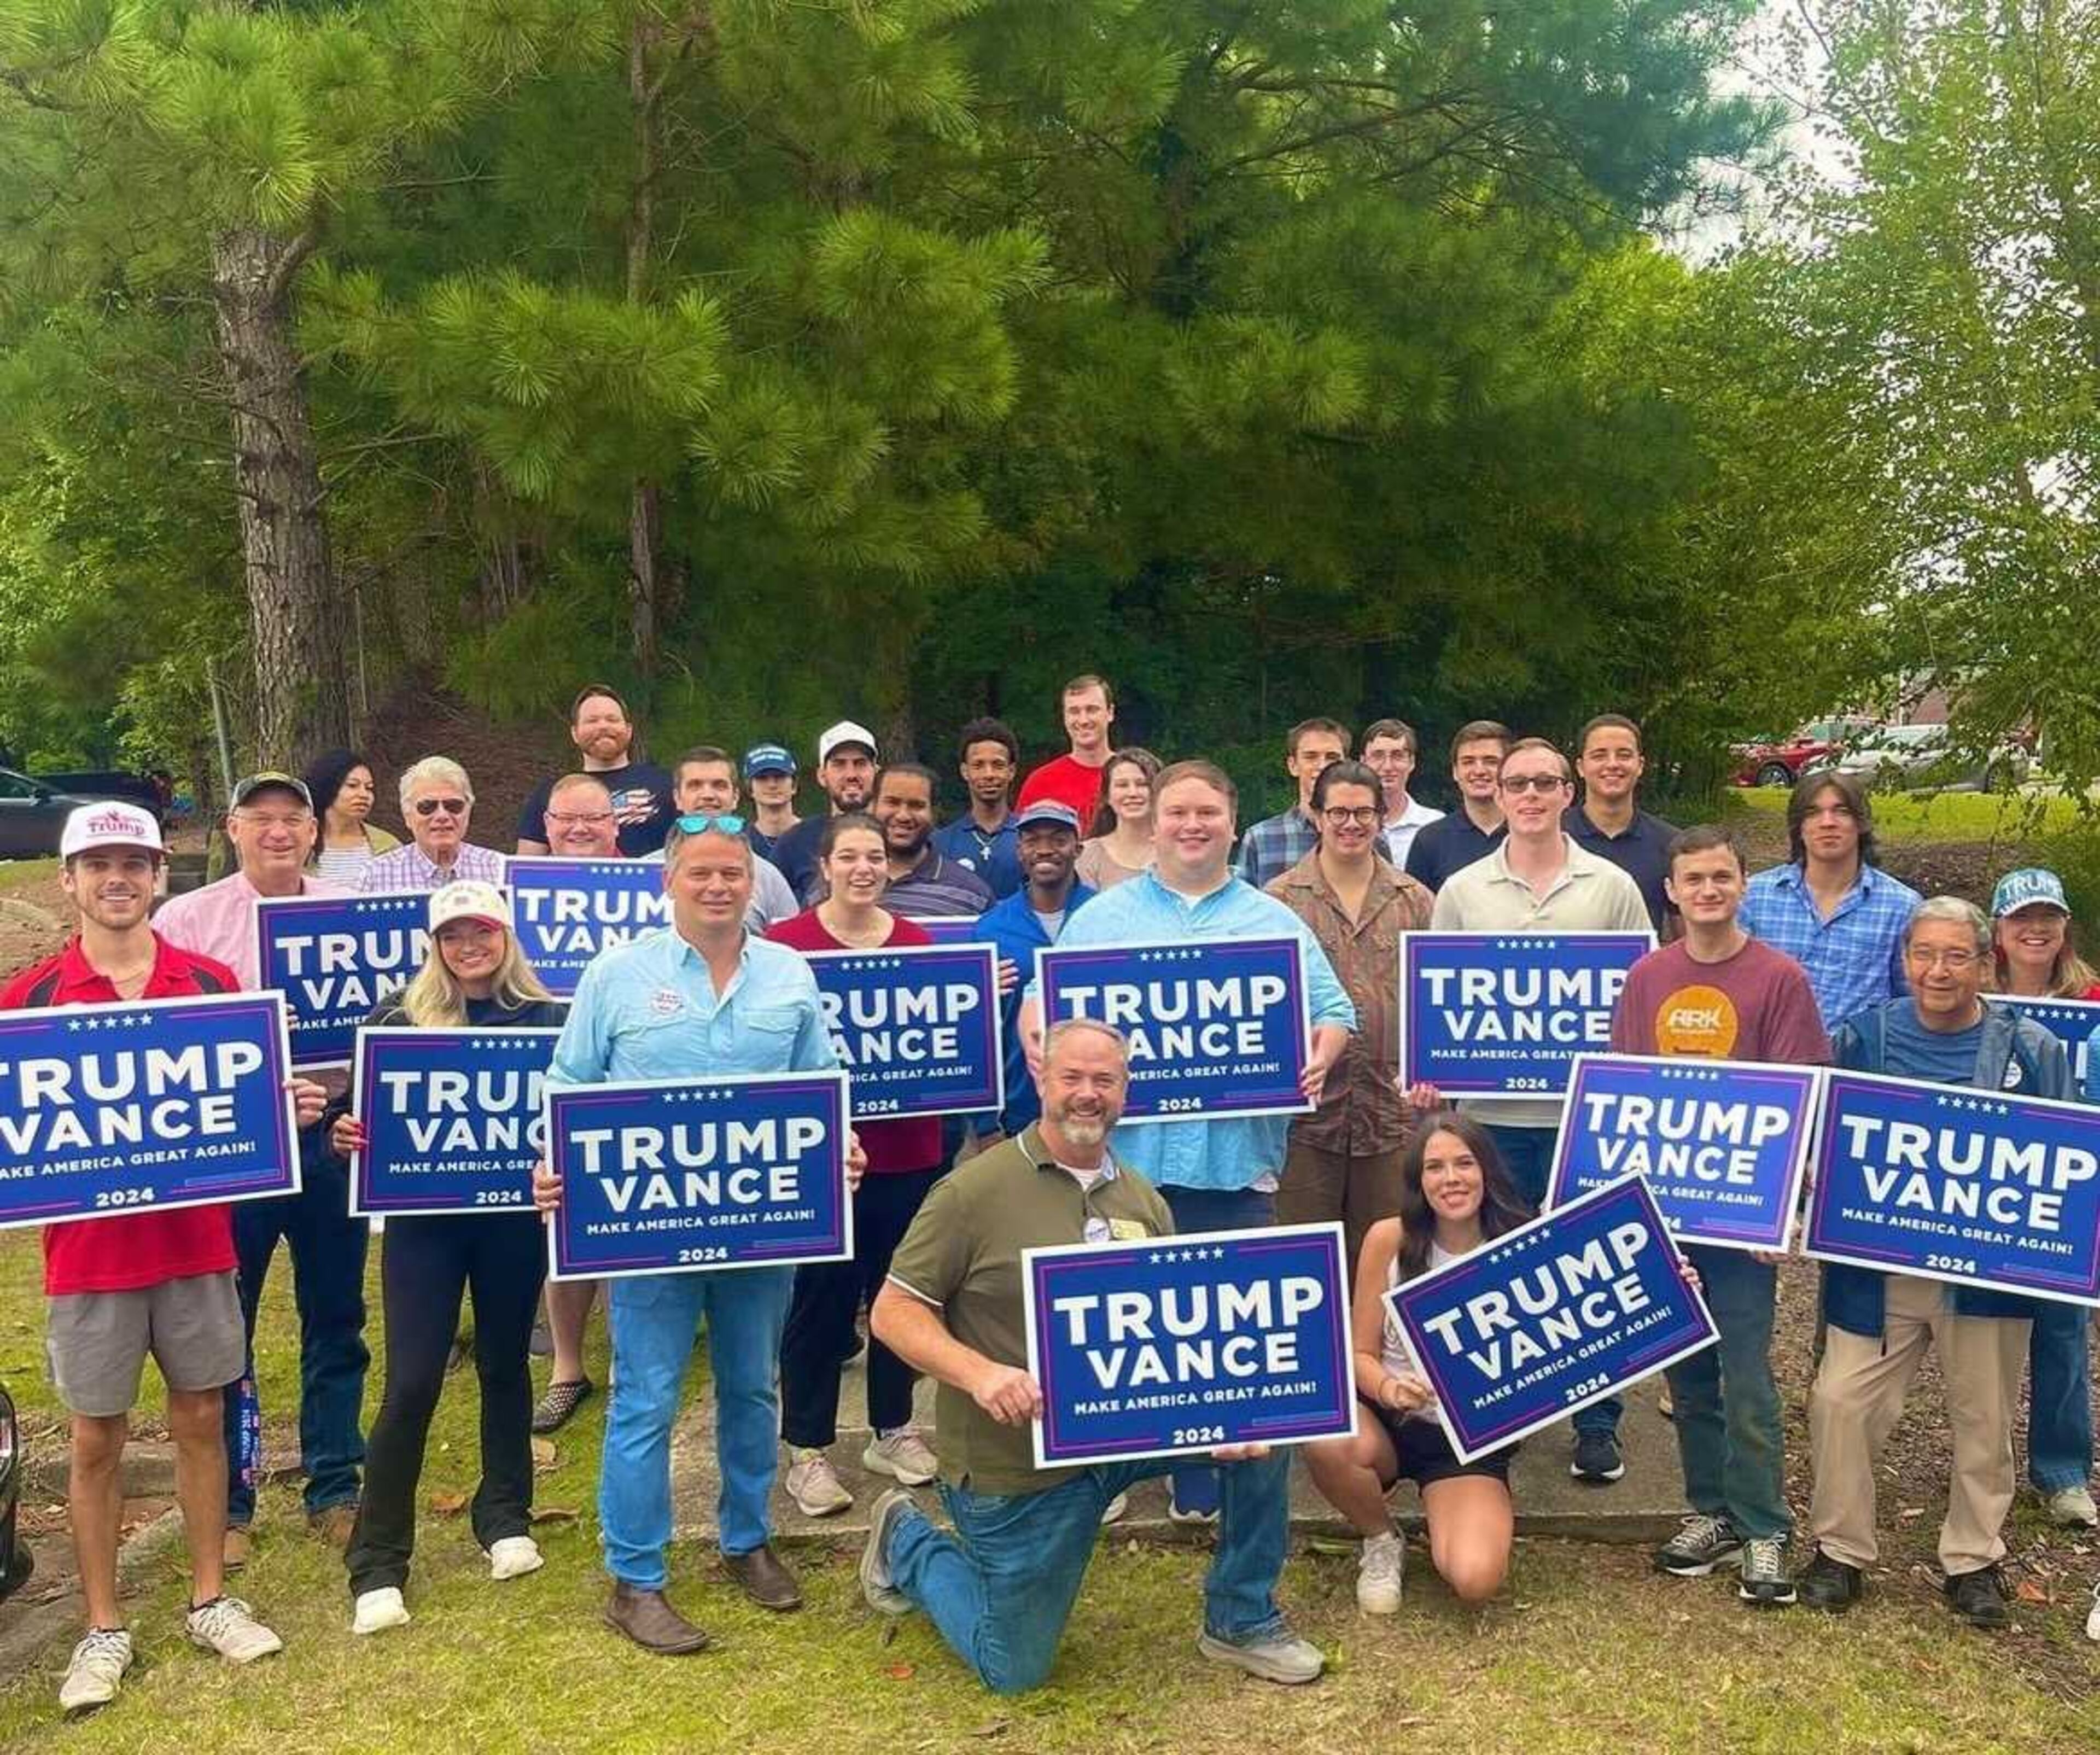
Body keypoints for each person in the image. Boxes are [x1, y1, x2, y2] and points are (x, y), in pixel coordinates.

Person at [860, 1019, 1325, 1694]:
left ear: (1125, 1092)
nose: (1088, 1093)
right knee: (1014, 1668)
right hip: (1018, 1462)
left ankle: (1241, 1615)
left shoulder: (1142, 1198)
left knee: (1264, 1423)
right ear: (1042, 1079)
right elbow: (893, 1310)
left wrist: (1220, 1411)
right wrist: (979, 1373)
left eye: (1104, 1079)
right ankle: (905, 1536)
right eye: (1072, 1077)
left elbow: (1172, 1341)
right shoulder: (971, 1191)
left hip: (1122, 1437)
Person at [532, 814, 864, 1651]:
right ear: (669, 882)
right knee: (646, 1396)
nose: (718, 886)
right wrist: (554, 1162)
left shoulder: (788, 972)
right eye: (701, 873)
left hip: (760, 1229)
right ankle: (635, 1577)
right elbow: (568, 1083)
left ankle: (746, 1539)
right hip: (650, 1233)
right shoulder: (616, 974)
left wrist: (841, 1146)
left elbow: (820, 1080)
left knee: (752, 1386)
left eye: (732, 873)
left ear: (753, 883)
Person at [14, 803, 314, 1713]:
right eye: (98, 863)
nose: (118, 878)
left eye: (134, 863)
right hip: (88, 1259)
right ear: (68, 881)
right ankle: (103, 1625)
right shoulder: (27, 1002)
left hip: (195, 1246)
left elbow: (249, 1101)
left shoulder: (213, 983)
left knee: (202, 1416)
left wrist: (283, 1106)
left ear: (157, 878)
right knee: (95, 1437)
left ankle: (210, 1596)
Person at [1019, 759, 1354, 1521]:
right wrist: (1034, 1024)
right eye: (1178, 812)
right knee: (1117, 1326)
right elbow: (1045, 997)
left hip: (1233, 1162)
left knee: (1223, 1329)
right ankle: (1107, 1469)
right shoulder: (1101, 917)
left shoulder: (1273, 921)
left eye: (1208, 812)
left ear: (1233, 824)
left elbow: (1334, 1011)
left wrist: (1322, 1051)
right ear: (1153, 823)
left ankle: (1204, 1474)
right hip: (1122, 1164)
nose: (1192, 825)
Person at [1798, 897, 2070, 1626]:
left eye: (1955, 956)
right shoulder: (1863, 1037)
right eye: (1924, 954)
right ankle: (1840, 1549)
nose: (1938, 970)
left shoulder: (2031, 1050)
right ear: (1905, 960)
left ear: (1985, 963)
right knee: (1840, 1401)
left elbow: (2068, 1159)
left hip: (1985, 1276)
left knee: (1984, 1415)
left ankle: (1974, 1558)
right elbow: (1820, 1131)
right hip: (1879, 1270)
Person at [327, 882, 564, 1635]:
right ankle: (377, 1561)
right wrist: (343, 1134)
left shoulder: (550, 1019)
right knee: (413, 1380)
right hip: (424, 1227)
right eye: (454, 935)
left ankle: (506, 1518)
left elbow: (573, 1114)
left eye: (483, 931)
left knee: (505, 1364)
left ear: (506, 937)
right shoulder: (396, 1019)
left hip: (511, 1223)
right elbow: (352, 1120)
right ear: (435, 945)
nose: (470, 946)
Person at [1612, 825, 1831, 1607]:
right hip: (1671, 1214)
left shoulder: (1779, 978)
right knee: (1689, 1374)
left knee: (1747, 1377)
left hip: (1742, 1221)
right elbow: (1624, 1094)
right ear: (1671, 891)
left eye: (1721, 877)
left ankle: (1765, 1523)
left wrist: (1784, 1210)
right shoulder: (1648, 978)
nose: (1707, 890)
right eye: (1693, 879)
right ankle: (1712, 1511)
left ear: (1743, 884)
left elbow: (1804, 1100)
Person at [154, 773, 370, 1564]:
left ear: (313, 831)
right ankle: (232, 1502)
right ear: (233, 828)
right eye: (262, 818)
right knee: (226, 1325)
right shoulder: (186, 919)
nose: (278, 831)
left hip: (332, 1136)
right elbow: (168, 1036)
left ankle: (335, 1484)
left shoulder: (352, 911)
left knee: (336, 1314)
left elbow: (393, 1016)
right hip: (238, 1148)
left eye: (293, 819)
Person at [1424, 736, 1650, 1484]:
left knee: (1594, 1266)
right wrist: (1433, 1073)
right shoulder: (1463, 889)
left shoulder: (1612, 886)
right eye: (1516, 782)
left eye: (1543, 782)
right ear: (1499, 793)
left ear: (1566, 793)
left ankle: (1597, 1422)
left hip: (1584, 1116)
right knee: (1488, 1266)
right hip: (1490, 1116)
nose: (1528, 795)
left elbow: (1636, 998)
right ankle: (1500, 1416)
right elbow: (1440, 996)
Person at [768, 817, 947, 1516]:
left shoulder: (918, 943)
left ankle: (892, 1427)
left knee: (900, 1295)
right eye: (850, 855)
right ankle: (807, 1446)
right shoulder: (784, 945)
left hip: (908, 1149)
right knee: (822, 1300)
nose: (864, 867)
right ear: (825, 865)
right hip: (823, 1157)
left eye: (875, 856)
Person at [1302, 1117, 1526, 1615]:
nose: (1452, 1179)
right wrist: (1388, 1388)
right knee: (1326, 1436)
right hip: (1389, 1418)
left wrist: (1673, 1280)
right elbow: (1358, 1354)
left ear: (1487, 1171)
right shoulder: (1389, 1238)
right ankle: (1381, 1538)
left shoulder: (1520, 1241)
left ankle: (1453, 1514)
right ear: (1417, 1180)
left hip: (1466, 1439)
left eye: (1465, 1163)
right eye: (1435, 1167)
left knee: (1475, 1579)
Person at [1265, 760, 1433, 1278]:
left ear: (1381, 818)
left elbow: (1435, 1003)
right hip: (1306, 1120)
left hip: (1391, 1115)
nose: (1351, 824)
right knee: (1301, 1264)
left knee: (1388, 1265)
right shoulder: (1277, 902)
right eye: (1338, 812)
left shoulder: (1415, 900)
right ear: (1316, 816)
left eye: (1363, 812)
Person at [1988, 866, 2100, 1529]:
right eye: (2021, 917)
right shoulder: (1971, 998)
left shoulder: (2094, 1001)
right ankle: (1985, 1461)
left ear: (2065, 927)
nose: (2035, 928)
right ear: (1998, 930)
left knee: (2063, 1327)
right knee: (1984, 1332)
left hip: (2072, 1191)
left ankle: (2063, 1471)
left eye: (2047, 917)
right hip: (1989, 1187)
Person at [1739, 768, 1922, 1031]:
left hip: (1858, 1054)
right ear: (1799, 827)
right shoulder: (1755, 897)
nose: (1828, 823)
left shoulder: (1901, 907)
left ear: (1861, 823)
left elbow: (1910, 1002)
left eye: (1841, 811)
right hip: (1771, 1053)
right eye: (1813, 813)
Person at [976, 802, 1097, 1143]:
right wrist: (985, 1125)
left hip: (1097, 1101)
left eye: (1058, 839)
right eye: (1032, 841)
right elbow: (979, 1030)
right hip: (1023, 1107)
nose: (1045, 849)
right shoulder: (991, 928)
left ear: (1078, 849)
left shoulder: (1108, 915)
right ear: (1020, 851)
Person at [515, 684, 674, 858]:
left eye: (612, 720)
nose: (603, 726)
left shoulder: (668, 785)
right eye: (592, 721)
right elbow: (527, 864)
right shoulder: (551, 793)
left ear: (629, 730)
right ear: (575, 733)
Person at [1567, 714, 1679, 934]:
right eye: (1599, 756)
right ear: (1580, 767)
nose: (1612, 764)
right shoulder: (1551, 838)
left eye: (1624, 755)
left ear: (1640, 765)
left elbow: (1687, 940)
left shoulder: (1670, 844)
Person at [664, 748, 799, 929]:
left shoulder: (768, 877)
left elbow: (791, 939)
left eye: (719, 785)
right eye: (695, 786)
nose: (708, 795)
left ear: (735, 797)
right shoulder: (643, 870)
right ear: (677, 798)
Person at [1234, 717, 1352, 891]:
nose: (1322, 766)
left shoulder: (1365, 837)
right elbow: (1242, 905)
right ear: (1293, 766)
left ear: (1346, 765)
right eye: (1311, 757)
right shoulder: (1261, 839)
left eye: (1332, 758)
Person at [769, 721, 880, 901]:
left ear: (876, 772)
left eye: (860, 764)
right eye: (839, 764)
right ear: (822, 776)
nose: (851, 775)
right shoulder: (794, 843)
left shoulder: (900, 839)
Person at [358, 757, 506, 891]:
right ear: (407, 816)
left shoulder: (499, 869)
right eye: (427, 807)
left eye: (454, 806)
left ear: (468, 812)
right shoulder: (376, 876)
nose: (442, 816)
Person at [865, 762, 993, 918]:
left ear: (934, 813)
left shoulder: (972, 895)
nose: (903, 816)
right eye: (893, 803)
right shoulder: (845, 881)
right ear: (872, 806)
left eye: (916, 806)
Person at [1403, 720, 1512, 893]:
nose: (1479, 771)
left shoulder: (1530, 835)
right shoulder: (1430, 841)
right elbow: (1416, 907)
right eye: (1468, 762)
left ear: (1509, 769)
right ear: (1455, 771)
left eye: (1491, 761)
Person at [930, 718, 1024, 899]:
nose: (989, 774)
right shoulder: (940, 843)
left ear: (1011, 771)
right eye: (978, 765)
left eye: (998, 765)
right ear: (965, 771)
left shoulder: (1029, 838)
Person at [1014, 674, 1116, 821]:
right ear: (1064, 717)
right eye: (1074, 711)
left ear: (1110, 713)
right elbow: (1021, 835)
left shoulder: (1135, 779)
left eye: (1092, 710)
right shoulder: (1041, 783)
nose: (1083, 720)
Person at [304, 750, 400, 883]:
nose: (364, 795)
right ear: (328, 787)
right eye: (353, 786)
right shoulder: (300, 841)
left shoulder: (388, 845)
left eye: (369, 788)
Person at [1361, 718, 1442, 869]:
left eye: (1397, 756)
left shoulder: (1435, 825)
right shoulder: (1350, 824)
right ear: (1363, 762)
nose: (1388, 766)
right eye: (1378, 756)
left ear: (1412, 762)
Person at [1075, 747, 1160, 890]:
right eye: (1122, 785)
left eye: (1142, 784)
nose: (1133, 793)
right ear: (1107, 796)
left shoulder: (1179, 850)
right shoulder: (1087, 855)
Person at [743, 743, 801, 859]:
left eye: (780, 777)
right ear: (750, 789)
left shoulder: (817, 835)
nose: (772, 785)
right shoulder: (741, 842)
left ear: (794, 786)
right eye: (762, 778)